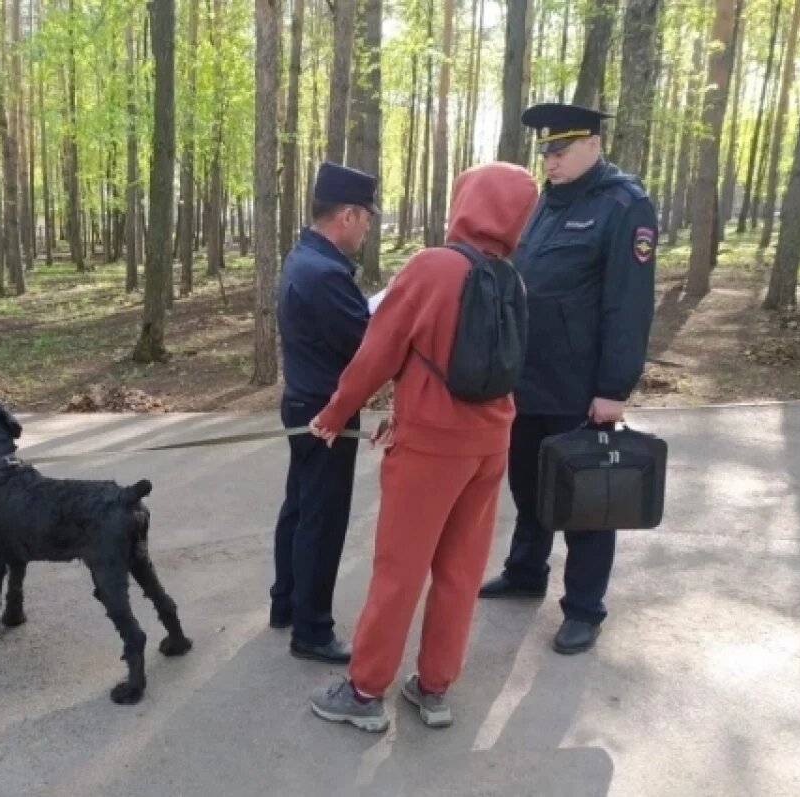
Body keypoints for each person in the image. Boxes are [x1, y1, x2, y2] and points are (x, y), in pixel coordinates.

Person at [305, 162, 539, 733]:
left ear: (467, 201)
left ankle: (364, 691)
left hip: (431, 447)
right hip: (491, 444)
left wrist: (335, 414)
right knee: (460, 570)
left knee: (399, 570)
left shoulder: (433, 267)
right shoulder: (511, 277)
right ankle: (434, 688)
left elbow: (376, 354)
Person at [478, 103, 657, 655]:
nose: (550, 161)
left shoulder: (624, 206)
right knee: (527, 485)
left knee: (587, 499)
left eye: (560, 150)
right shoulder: (543, 206)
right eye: (546, 153)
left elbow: (628, 307)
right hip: (528, 378)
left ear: (593, 145)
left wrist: (613, 389)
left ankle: (583, 607)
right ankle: (526, 570)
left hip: (581, 386)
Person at [270, 161, 378, 664]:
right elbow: (365, 344)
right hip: (325, 411)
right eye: (367, 219)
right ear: (349, 215)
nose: (368, 229)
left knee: (299, 507)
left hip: (304, 400)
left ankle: (286, 604)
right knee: (322, 518)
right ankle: (311, 629)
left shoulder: (304, 257)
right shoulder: (327, 273)